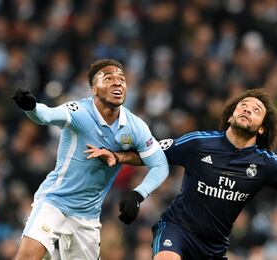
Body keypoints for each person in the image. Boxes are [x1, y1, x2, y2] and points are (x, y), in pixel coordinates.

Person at [86, 88, 277, 260]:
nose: (246, 109)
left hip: (214, 247)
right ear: (231, 115)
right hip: (177, 230)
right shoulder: (198, 142)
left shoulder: (268, 163)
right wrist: (116, 155)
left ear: (261, 127)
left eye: (255, 109)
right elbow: (151, 152)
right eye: (242, 106)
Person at [12, 58, 169, 259]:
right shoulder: (80, 112)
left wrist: (138, 194)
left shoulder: (135, 126)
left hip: (88, 216)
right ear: (94, 89)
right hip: (54, 202)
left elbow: (160, 165)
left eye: (121, 79)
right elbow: (47, 115)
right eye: (108, 78)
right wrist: (31, 107)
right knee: (27, 255)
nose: (117, 83)